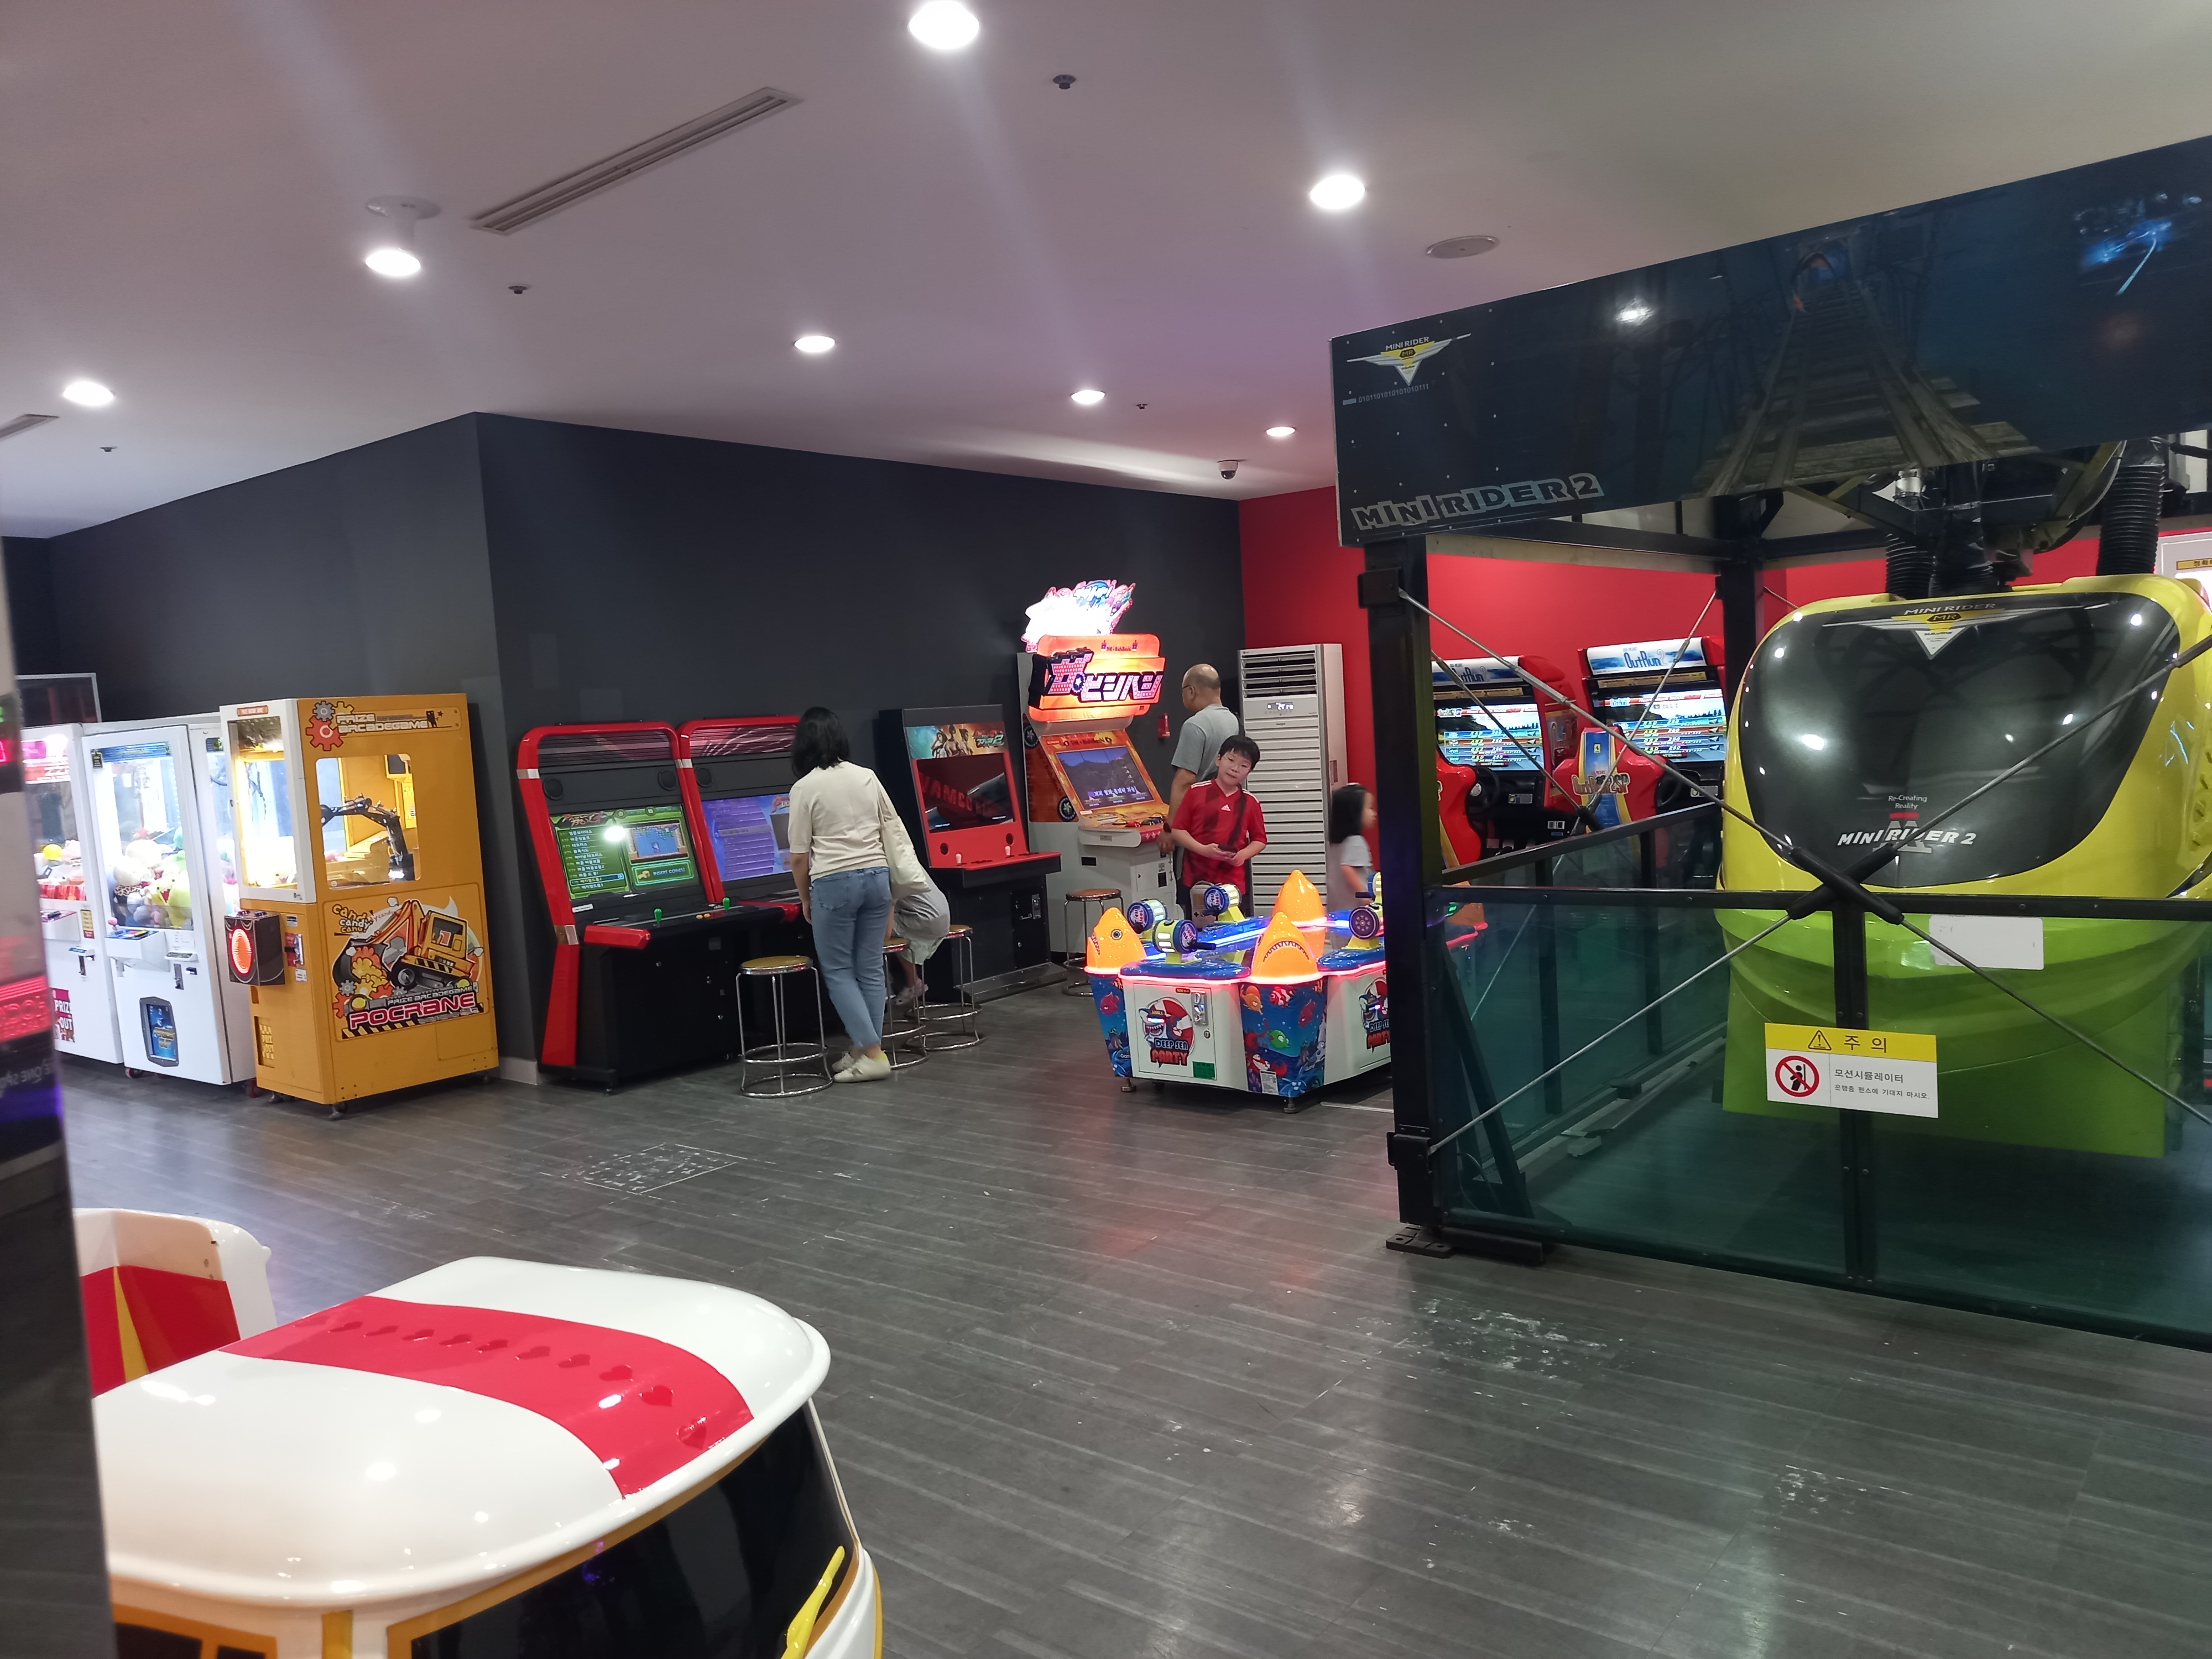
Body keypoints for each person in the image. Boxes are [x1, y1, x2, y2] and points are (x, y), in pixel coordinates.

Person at [786, 707, 896, 1083]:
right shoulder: (867, 776)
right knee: (870, 968)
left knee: (838, 971)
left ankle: (874, 1055)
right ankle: (863, 1049)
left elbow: (799, 856)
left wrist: (805, 898)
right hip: (878, 877)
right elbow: (890, 830)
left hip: (834, 882)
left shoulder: (804, 788)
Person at [1169, 734, 1265, 920]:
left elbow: (1260, 840)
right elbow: (1178, 831)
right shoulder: (1196, 792)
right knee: (1196, 929)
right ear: (1219, 760)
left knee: (1232, 928)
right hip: (1196, 878)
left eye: (1244, 765)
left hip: (1233, 882)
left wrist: (1242, 856)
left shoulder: (1250, 802)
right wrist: (1203, 850)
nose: (1235, 768)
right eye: (1231, 760)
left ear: (1249, 772)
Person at [1167, 663, 1239, 812]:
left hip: (1203, 813)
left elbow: (1185, 781)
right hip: (1230, 809)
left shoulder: (1195, 724)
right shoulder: (1234, 721)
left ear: (1191, 692)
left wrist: (1172, 823)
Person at [1327, 783, 1376, 912]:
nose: (1374, 813)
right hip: (1355, 910)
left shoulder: (1338, 843)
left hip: (1338, 907)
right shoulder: (1356, 841)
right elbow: (1347, 867)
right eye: (1369, 808)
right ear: (1355, 813)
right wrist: (1365, 895)